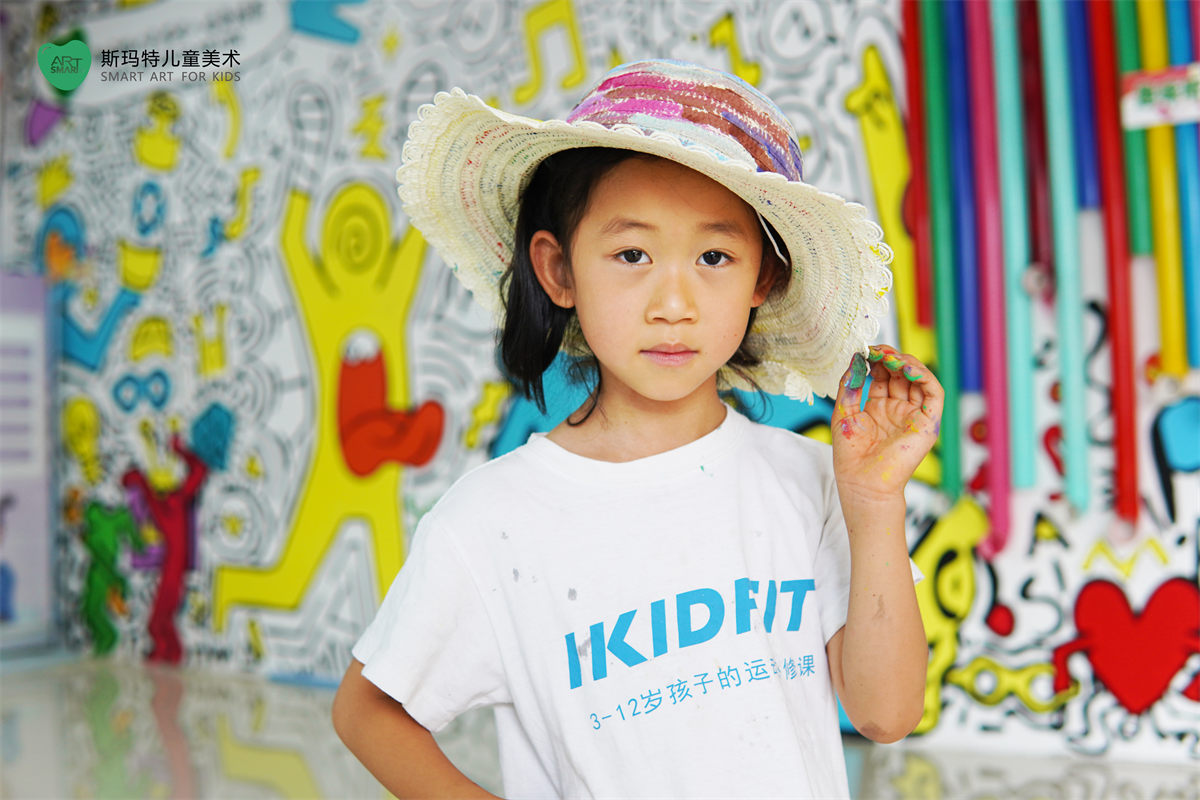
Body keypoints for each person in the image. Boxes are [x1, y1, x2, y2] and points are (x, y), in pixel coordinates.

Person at [333, 59, 941, 799]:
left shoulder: (813, 485)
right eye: (631, 255)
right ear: (559, 271)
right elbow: (368, 711)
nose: (673, 304)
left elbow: (886, 714)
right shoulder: (491, 521)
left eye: (714, 256)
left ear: (764, 277)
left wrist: (874, 505)